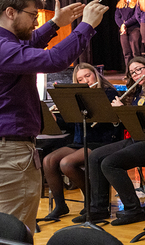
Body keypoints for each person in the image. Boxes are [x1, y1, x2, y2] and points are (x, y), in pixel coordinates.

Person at [0, 0, 106, 231]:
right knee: (16, 237)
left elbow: (24, 47)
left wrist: (55, 24)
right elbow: (54, 59)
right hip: (6, 154)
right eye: (32, 15)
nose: (34, 22)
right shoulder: (1, 48)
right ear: (10, 12)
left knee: (0, 234)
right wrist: (87, 26)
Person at [81, 57, 145, 225]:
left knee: (110, 163)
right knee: (95, 156)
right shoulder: (140, 90)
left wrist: (124, 110)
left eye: (139, 70)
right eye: (132, 72)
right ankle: (99, 208)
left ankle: (133, 209)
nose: (136, 74)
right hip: (141, 139)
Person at [40, 63, 121, 221]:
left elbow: (112, 121)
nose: (86, 80)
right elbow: (72, 124)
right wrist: (56, 118)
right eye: (80, 79)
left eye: (88, 76)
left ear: (95, 74)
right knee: (48, 161)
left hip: (102, 141)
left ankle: (91, 201)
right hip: (80, 141)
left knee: (66, 164)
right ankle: (60, 205)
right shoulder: (77, 96)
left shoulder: (108, 92)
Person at [114, 0, 141, 70]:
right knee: (126, 52)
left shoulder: (137, 2)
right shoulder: (121, 3)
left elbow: (135, 17)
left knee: (135, 51)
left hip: (134, 28)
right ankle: (129, 72)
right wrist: (122, 26)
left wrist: (125, 24)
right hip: (123, 30)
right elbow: (117, 16)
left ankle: (138, 70)